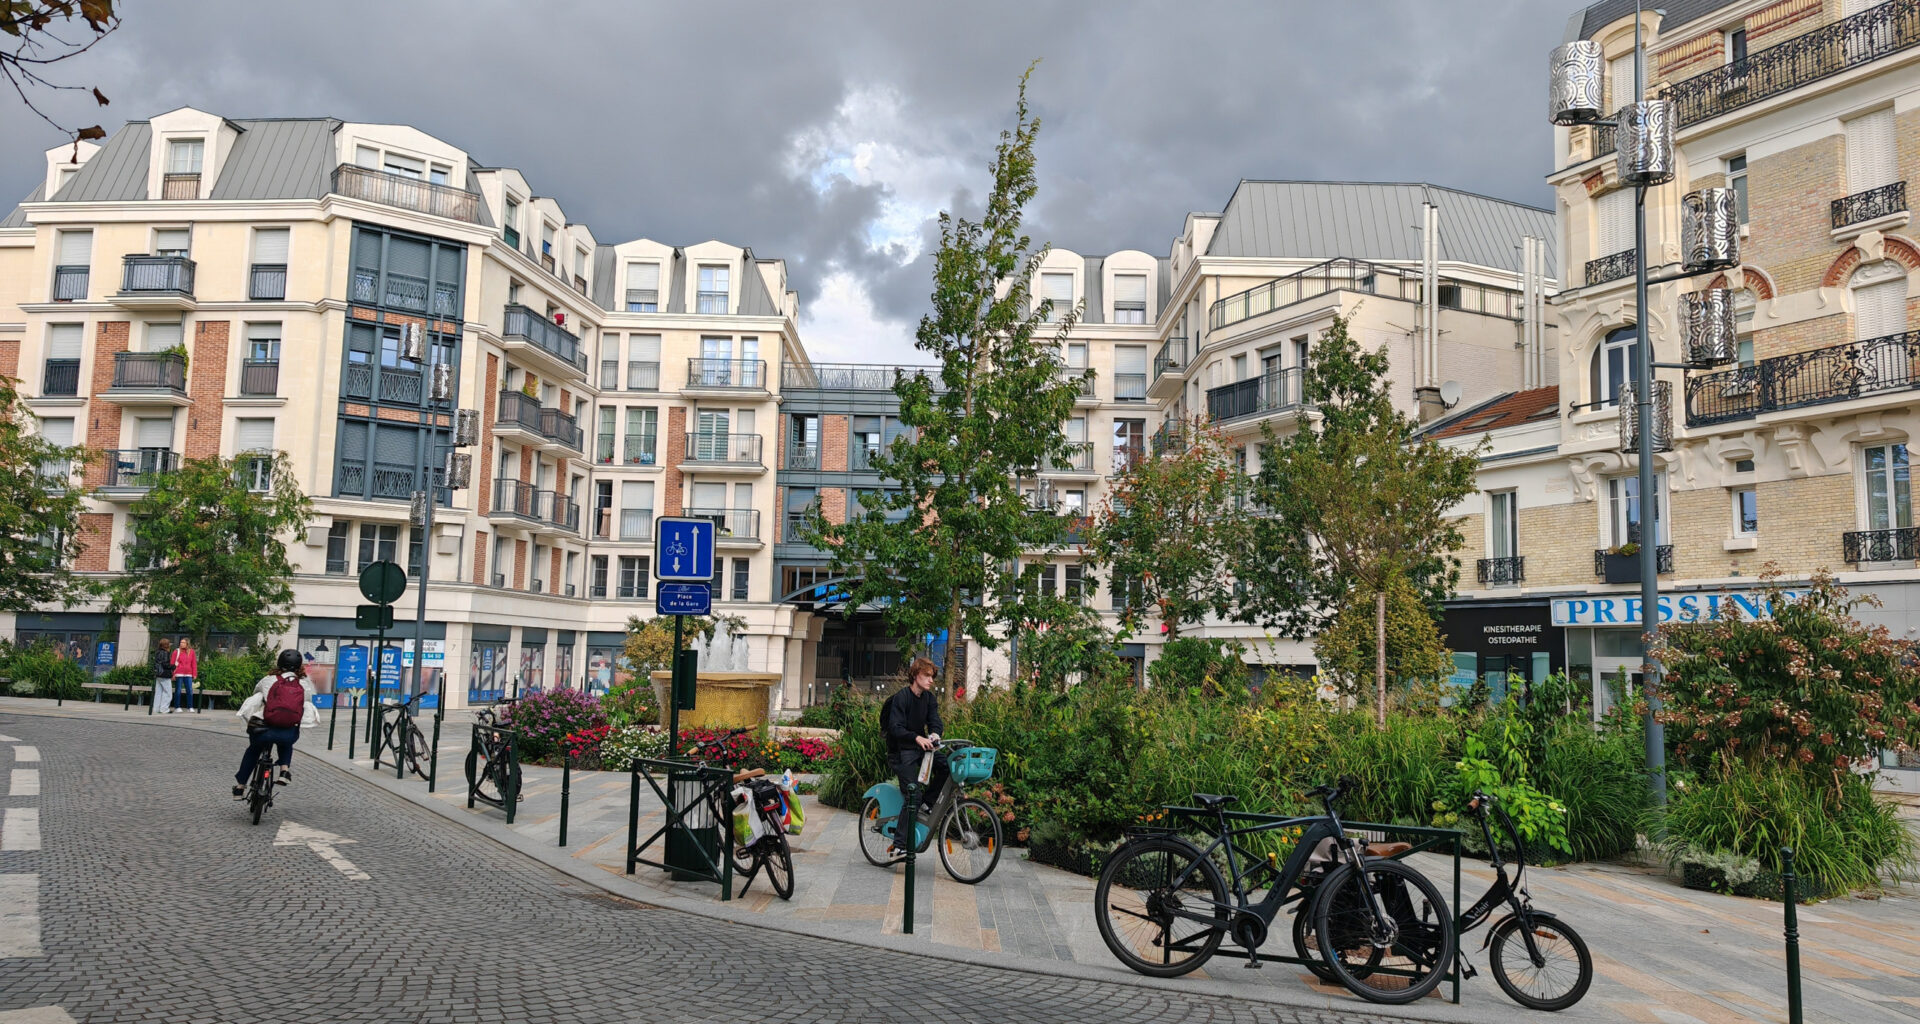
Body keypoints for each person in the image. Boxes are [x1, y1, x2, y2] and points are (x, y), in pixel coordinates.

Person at [232, 649, 318, 798]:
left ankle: (240, 787)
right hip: (287, 732)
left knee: (253, 750)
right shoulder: (304, 684)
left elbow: (256, 692)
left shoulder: (269, 679)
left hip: (264, 730)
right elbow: (308, 701)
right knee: (286, 742)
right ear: (299, 666)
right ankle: (284, 770)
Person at [881, 657, 948, 813]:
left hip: (919, 748)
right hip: (900, 752)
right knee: (913, 798)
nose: (931, 680)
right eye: (927, 676)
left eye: (933, 677)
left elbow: (935, 721)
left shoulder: (929, 698)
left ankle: (927, 803)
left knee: (947, 766)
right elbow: (895, 728)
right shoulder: (902, 697)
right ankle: (901, 838)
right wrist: (917, 737)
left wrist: (935, 733)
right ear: (917, 674)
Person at [171, 637, 198, 713]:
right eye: (180, 642)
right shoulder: (177, 651)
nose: (181, 644)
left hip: (188, 674)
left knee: (189, 690)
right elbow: (172, 663)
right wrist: (173, 674)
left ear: (187, 644)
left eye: (183, 642)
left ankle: (190, 706)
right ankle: (177, 706)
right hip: (178, 673)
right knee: (178, 690)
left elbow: (194, 663)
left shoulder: (192, 652)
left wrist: (194, 673)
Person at [149, 638, 174, 715]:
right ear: (166, 645)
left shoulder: (157, 652)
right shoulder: (165, 653)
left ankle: (156, 708)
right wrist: (173, 666)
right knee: (168, 693)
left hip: (158, 674)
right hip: (165, 674)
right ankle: (164, 709)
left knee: (158, 692)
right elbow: (166, 664)